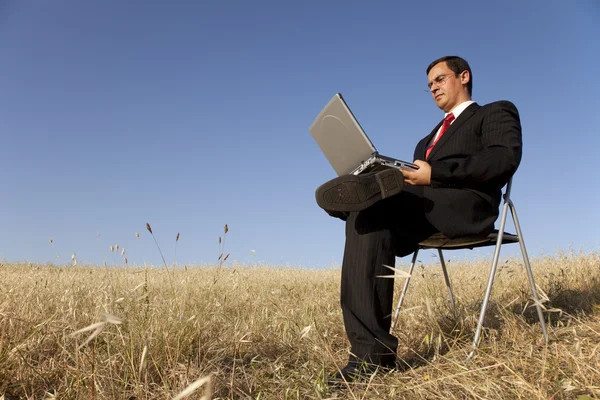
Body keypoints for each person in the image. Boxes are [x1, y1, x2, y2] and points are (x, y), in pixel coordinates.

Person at [314, 55, 522, 385]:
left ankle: (359, 196)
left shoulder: (494, 112)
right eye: (429, 86)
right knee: (367, 213)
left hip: (464, 208)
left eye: (439, 80)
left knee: (372, 205)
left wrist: (435, 173)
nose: (433, 88)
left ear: (464, 76)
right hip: (421, 212)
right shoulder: (426, 140)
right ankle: (370, 357)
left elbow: (503, 158)